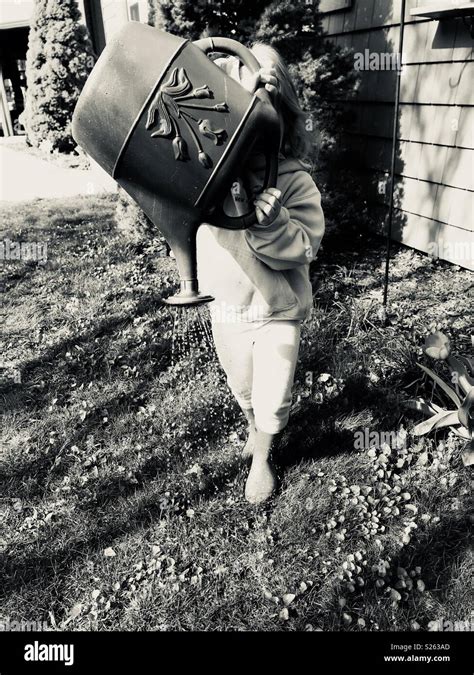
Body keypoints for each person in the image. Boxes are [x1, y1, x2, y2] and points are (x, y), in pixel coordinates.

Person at [196, 43, 325, 504]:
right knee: (243, 385)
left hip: (277, 310)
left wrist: (273, 223)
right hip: (227, 308)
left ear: (281, 119)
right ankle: (252, 426)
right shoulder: (205, 177)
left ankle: (263, 456)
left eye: (260, 119)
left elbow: (306, 244)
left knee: (272, 390)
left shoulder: (291, 180)